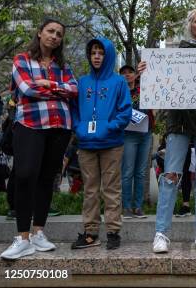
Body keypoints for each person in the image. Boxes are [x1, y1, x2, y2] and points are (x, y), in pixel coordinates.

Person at [139, 8, 196, 253]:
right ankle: (161, 233)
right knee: (171, 175)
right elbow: (159, 85)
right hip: (179, 123)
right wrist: (146, 74)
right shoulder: (173, 54)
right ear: (189, 24)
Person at [0, 19, 78, 260]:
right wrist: (58, 89)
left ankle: (38, 233)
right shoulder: (22, 60)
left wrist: (49, 83)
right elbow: (27, 89)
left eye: (59, 34)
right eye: (50, 31)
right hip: (30, 124)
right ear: (40, 33)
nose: (54, 36)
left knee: (47, 178)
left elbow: (74, 89)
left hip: (60, 126)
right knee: (25, 175)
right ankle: (22, 238)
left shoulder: (62, 65)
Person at [70, 37, 132, 251]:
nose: (96, 56)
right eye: (93, 53)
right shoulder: (83, 82)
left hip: (111, 143)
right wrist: (78, 127)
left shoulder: (119, 82)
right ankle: (90, 233)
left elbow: (125, 112)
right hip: (86, 144)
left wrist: (109, 127)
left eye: (101, 53)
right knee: (90, 189)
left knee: (111, 189)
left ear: (108, 56)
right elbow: (75, 110)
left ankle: (113, 232)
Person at [119, 65, 154, 219]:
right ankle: (126, 207)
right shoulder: (119, 92)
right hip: (128, 135)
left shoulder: (144, 90)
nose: (127, 75)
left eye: (130, 72)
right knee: (127, 172)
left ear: (135, 75)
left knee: (140, 172)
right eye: (123, 73)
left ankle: (138, 207)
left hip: (145, 134)